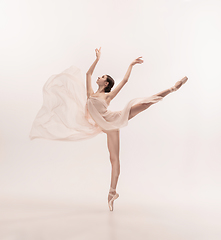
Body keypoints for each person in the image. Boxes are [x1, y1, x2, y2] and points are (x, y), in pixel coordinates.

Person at [29, 47, 188, 211]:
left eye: (102, 77)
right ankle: (113, 193)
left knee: (144, 104)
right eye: (101, 75)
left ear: (105, 84)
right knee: (112, 159)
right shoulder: (91, 93)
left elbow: (124, 81)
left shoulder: (108, 96)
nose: (98, 77)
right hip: (107, 127)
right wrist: (97, 59)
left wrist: (131, 65)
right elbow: (88, 75)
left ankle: (173, 88)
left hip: (115, 119)